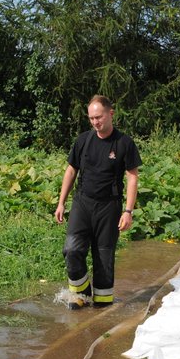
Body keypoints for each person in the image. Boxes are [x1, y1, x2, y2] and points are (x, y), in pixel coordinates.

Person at [54, 95, 141, 309]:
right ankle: (81, 292)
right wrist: (61, 202)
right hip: (83, 203)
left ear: (111, 114)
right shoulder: (83, 140)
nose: (95, 122)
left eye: (99, 117)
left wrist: (128, 211)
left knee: (103, 258)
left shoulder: (124, 143)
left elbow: (132, 177)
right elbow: (71, 170)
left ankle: (102, 306)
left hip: (109, 207)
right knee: (71, 251)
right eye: (91, 118)